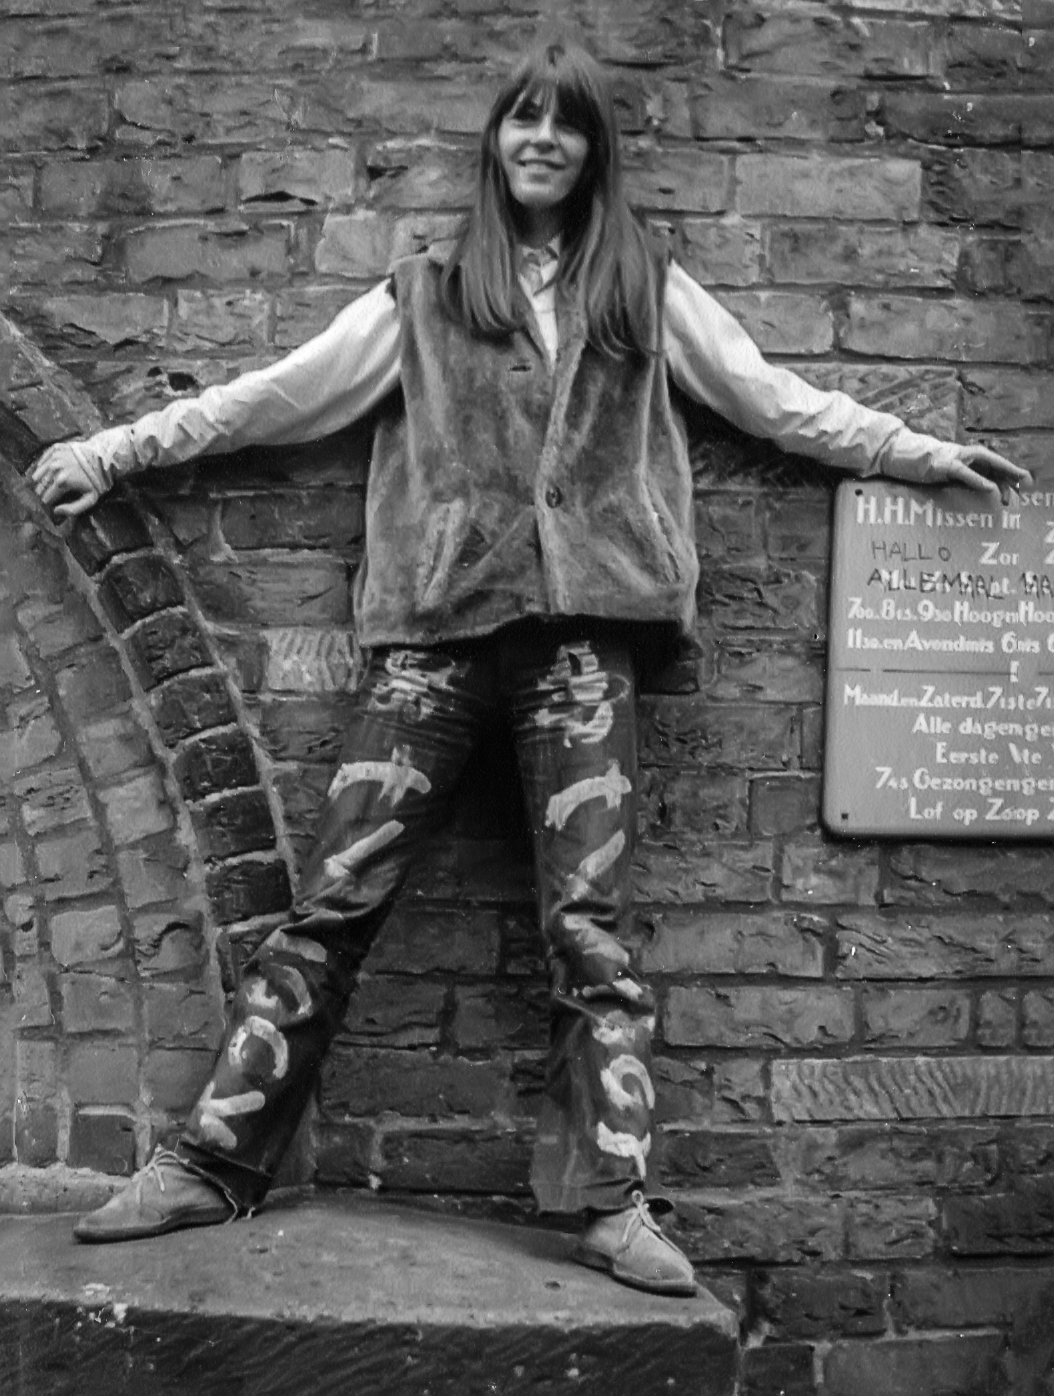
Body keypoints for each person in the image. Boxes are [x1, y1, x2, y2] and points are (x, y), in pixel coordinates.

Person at [32, 40, 1028, 1298]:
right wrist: (119, 448)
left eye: (567, 123)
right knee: (334, 900)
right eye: (524, 120)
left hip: (583, 642)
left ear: (594, 148)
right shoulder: (428, 292)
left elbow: (771, 399)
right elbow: (277, 398)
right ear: (496, 141)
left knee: (588, 928)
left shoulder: (643, 287)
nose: (543, 140)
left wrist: (912, 454)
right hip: (436, 635)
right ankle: (211, 1161)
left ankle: (611, 1202)